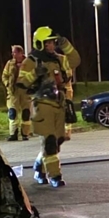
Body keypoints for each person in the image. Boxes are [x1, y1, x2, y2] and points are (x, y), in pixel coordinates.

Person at [15, 26, 81, 188]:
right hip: (42, 105)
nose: (52, 46)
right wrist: (35, 74)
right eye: (48, 43)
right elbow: (20, 85)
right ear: (39, 44)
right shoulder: (30, 61)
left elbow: (75, 60)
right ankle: (55, 176)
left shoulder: (59, 59)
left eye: (53, 42)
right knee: (50, 141)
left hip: (60, 105)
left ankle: (39, 166)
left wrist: (65, 43)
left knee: (59, 140)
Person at [1, 44, 31, 141]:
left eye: (15, 52)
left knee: (26, 113)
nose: (13, 54)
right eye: (13, 52)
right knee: (12, 112)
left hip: (25, 92)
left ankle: (25, 133)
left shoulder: (28, 63)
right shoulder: (9, 64)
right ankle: (13, 133)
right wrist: (7, 84)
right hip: (13, 92)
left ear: (20, 53)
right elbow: (4, 75)